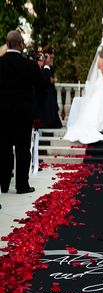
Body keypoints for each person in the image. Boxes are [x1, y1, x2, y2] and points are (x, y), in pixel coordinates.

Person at [0, 30, 45, 194]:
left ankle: (3, 184)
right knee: (23, 148)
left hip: (3, 113)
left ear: (8, 44)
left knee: (3, 148)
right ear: (20, 44)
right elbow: (41, 87)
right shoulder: (30, 65)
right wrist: (35, 105)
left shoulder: (0, 63)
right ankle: (21, 185)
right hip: (23, 113)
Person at [63, 41, 103, 144]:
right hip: (102, 84)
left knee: (101, 103)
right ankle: (101, 125)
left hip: (102, 84)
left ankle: (101, 124)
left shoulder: (101, 60)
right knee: (102, 102)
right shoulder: (101, 61)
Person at [40, 45, 63, 129]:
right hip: (47, 90)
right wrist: (53, 79)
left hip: (50, 90)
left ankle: (49, 122)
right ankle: (48, 123)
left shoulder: (49, 67)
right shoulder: (46, 67)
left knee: (50, 107)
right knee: (48, 107)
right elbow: (50, 80)